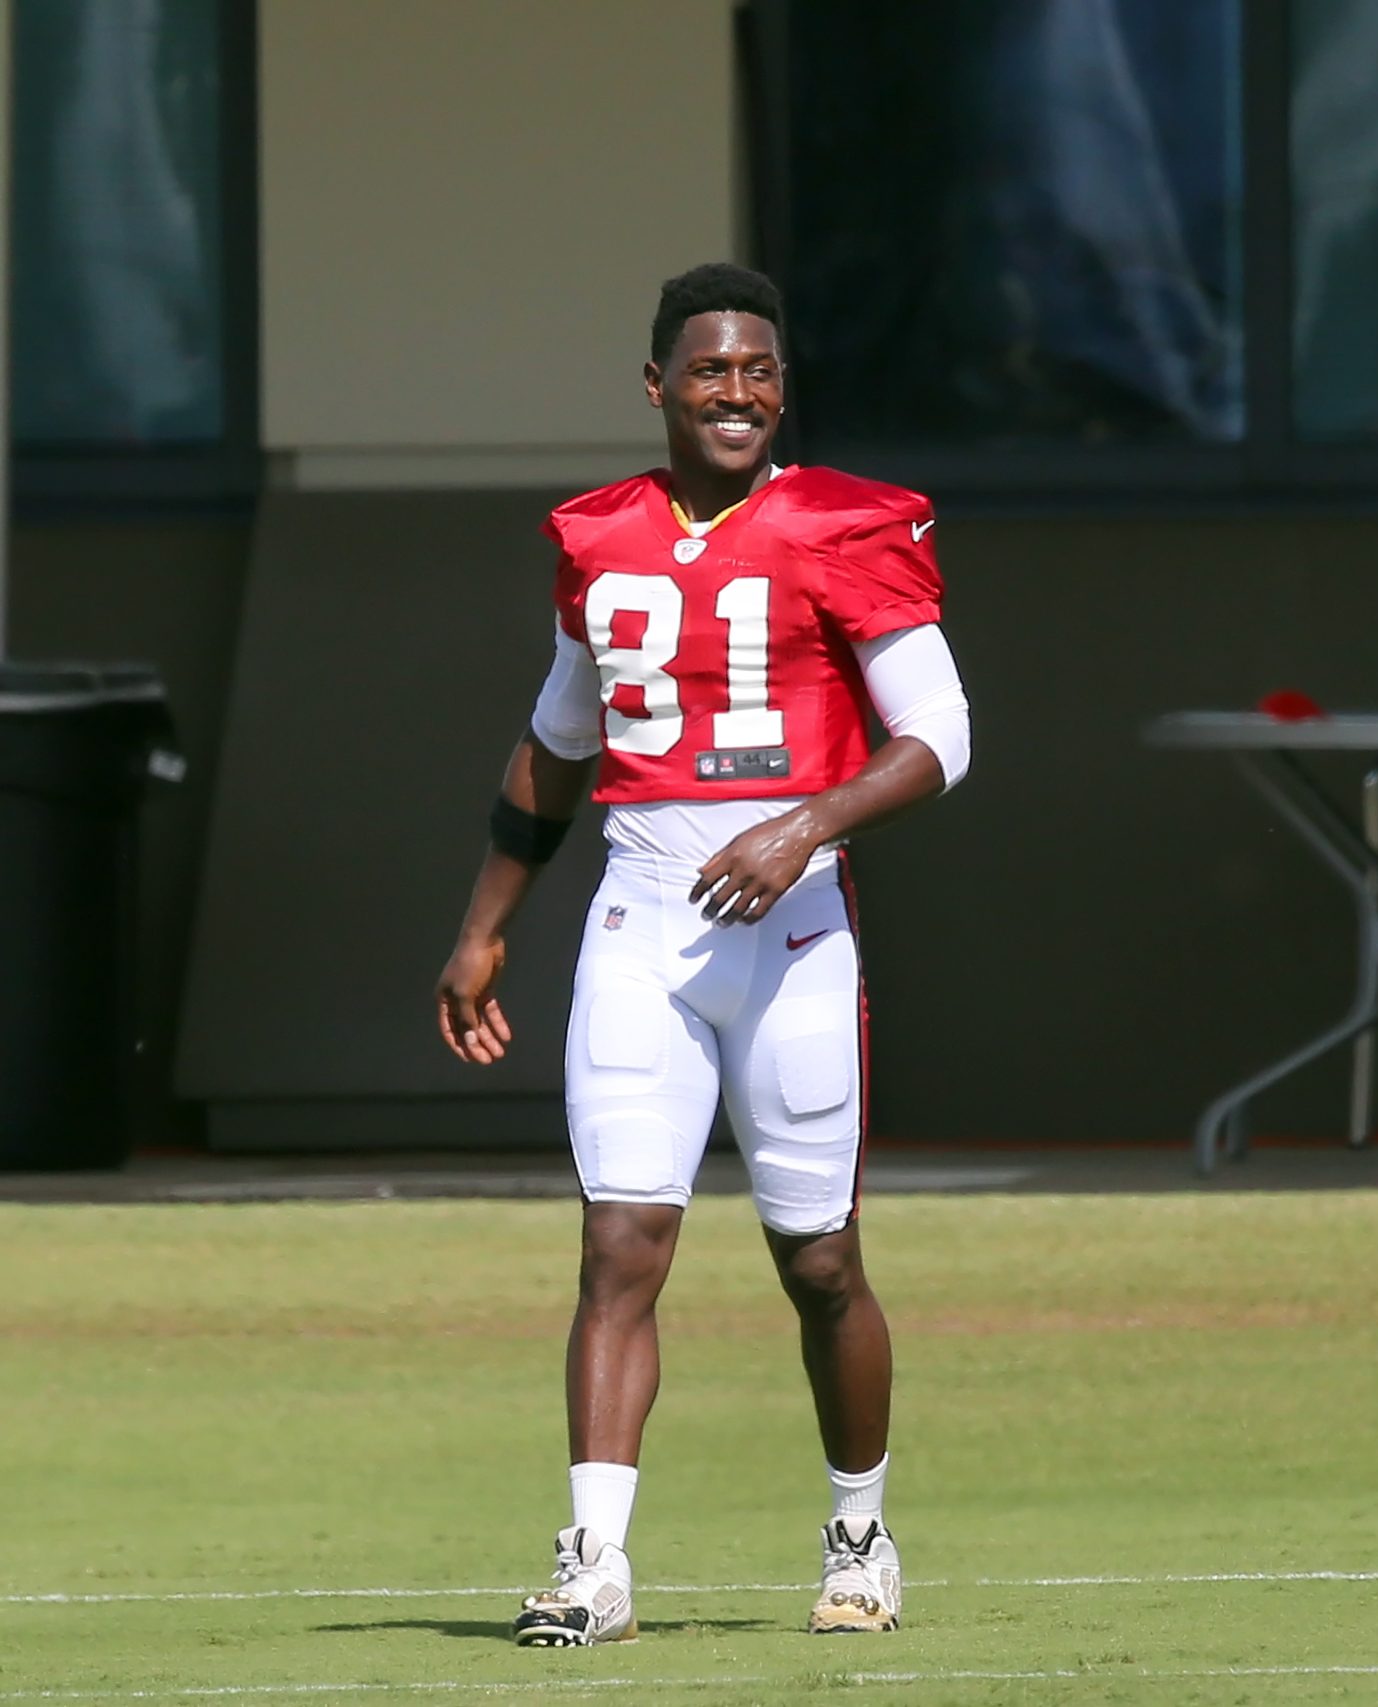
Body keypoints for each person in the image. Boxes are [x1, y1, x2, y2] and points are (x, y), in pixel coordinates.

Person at [432, 263, 972, 1645]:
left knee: (820, 1264)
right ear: (658, 383)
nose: (738, 392)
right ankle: (593, 1562)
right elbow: (557, 747)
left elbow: (941, 737)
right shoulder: (600, 535)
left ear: (780, 387)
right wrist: (485, 925)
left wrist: (807, 827)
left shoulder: (847, 522)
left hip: (793, 930)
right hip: (643, 912)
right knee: (623, 1240)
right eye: (712, 369)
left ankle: (860, 1526)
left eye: (760, 371)